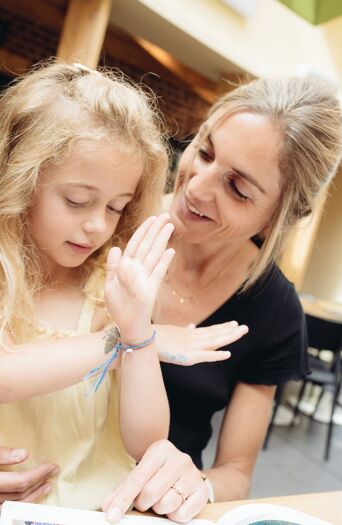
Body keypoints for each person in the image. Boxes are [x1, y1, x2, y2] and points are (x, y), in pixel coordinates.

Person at [0, 61, 245, 512]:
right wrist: (123, 342)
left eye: (116, 207)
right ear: (22, 175)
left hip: (96, 510)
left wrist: (137, 335)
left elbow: (146, 442)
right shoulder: (4, 271)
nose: (97, 225)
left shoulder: (103, 287)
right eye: (76, 200)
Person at [101, 75, 342, 522]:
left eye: (237, 189)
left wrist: (196, 482)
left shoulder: (274, 312)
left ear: (277, 219)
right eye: (205, 150)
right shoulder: (107, 215)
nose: (195, 187)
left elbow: (236, 471)